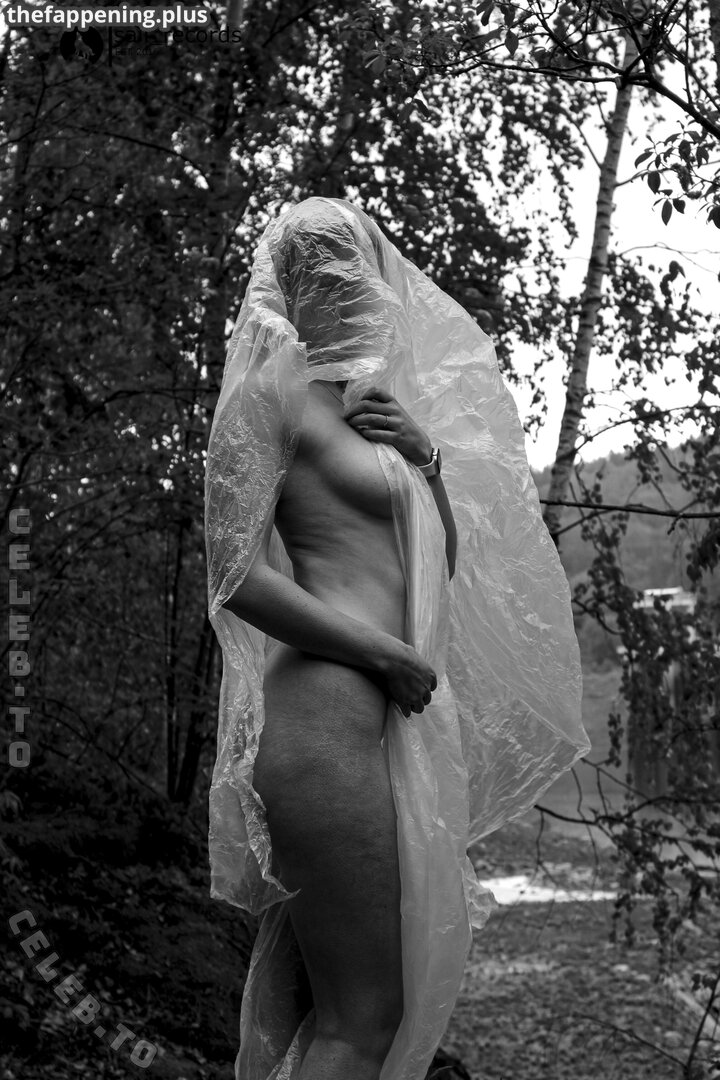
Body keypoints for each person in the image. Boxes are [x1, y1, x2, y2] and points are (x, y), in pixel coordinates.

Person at [204, 197, 591, 1080]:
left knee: (353, 1009)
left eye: (356, 264)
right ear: (289, 286)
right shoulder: (268, 396)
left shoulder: (373, 408)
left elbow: (435, 565)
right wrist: (379, 654)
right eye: (322, 267)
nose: (349, 284)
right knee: (361, 1019)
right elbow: (234, 577)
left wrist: (428, 461)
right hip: (326, 716)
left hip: (392, 717)